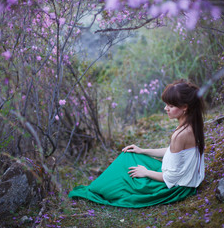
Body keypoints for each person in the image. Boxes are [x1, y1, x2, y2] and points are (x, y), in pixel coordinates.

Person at [68, 79, 205, 208]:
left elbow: (171, 178)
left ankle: (98, 189)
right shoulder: (191, 125)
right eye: (166, 104)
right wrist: (142, 150)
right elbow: (173, 152)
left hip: (175, 187)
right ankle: (99, 186)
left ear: (185, 107)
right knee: (131, 155)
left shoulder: (181, 135)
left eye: (171, 105)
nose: (165, 108)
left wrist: (146, 172)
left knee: (126, 162)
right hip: (181, 177)